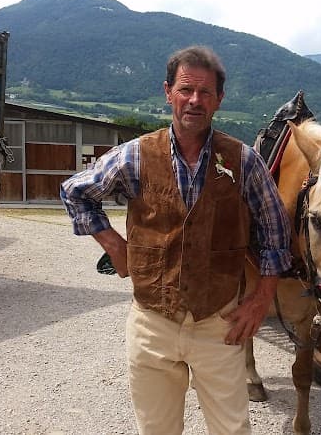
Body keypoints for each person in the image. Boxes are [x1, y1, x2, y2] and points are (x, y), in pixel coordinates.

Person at [60, 46, 292, 435]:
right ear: (168, 92)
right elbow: (75, 191)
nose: (195, 101)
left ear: (219, 99)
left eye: (205, 93)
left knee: (232, 430)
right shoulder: (135, 155)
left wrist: (260, 299)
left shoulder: (244, 160)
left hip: (219, 322)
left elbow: (275, 234)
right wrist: (115, 246)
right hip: (153, 322)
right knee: (157, 430)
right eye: (186, 89)